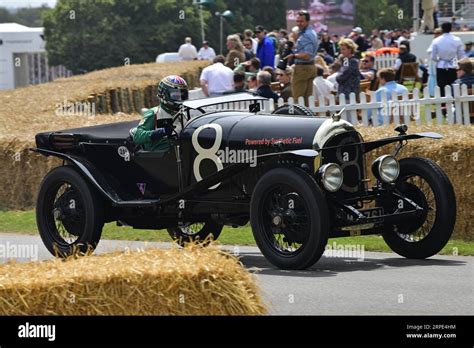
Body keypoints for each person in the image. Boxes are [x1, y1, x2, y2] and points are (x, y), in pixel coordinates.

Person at [130, 75, 188, 152]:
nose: (180, 98)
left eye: (182, 95)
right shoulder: (153, 113)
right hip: (159, 155)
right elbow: (138, 137)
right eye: (176, 95)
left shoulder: (185, 112)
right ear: (164, 95)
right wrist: (163, 131)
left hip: (180, 152)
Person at [285, 10, 318, 106]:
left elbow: (307, 54)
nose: (299, 24)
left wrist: (294, 55)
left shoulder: (307, 35)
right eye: (297, 21)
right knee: (306, 101)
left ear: (307, 21)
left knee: (297, 100)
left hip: (303, 68)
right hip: (309, 67)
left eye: (301, 21)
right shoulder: (308, 33)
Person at [431, 22, 465, 96]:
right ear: (451, 28)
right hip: (453, 64)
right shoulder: (457, 39)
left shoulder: (437, 40)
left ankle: (443, 103)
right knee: (453, 84)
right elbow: (461, 55)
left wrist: (439, 60)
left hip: (441, 65)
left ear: (442, 29)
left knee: (441, 85)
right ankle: (453, 101)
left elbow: (433, 56)